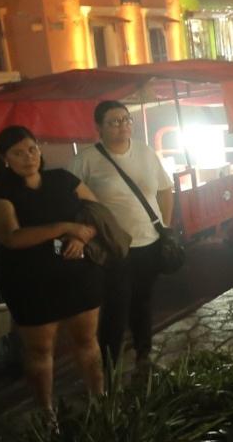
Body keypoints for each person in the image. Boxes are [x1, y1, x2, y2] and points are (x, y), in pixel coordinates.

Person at [0, 126, 105, 413]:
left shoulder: (63, 179)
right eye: (18, 152)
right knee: (40, 350)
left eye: (32, 149)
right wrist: (63, 227)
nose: (28, 157)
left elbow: (96, 212)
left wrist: (79, 236)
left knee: (87, 340)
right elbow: (12, 237)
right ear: (4, 158)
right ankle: (46, 413)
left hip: (77, 272)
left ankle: (101, 400)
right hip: (30, 280)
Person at [71, 101, 174, 373]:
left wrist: (165, 225)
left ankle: (144, 355)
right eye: (114, 122)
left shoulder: (145, 152)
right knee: (116, 308)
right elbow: (70, 202)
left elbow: (165, 189)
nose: (122, 126)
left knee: (143, 300)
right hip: (115, 247)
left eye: (126, 120)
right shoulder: (86, 161)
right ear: (99, 128)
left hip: (149, 241)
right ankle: (108, 368)